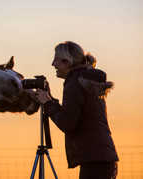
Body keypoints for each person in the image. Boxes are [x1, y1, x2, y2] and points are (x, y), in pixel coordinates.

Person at [35, 41, 119, 179]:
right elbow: (73, 115)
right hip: (101, 157)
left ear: (67, 61)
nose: (53, 64)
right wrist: (49, 100)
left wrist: (48, 104)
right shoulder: (84, 80)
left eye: (56, 59)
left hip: (94, 160)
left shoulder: (74, 83)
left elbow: (68, 123)